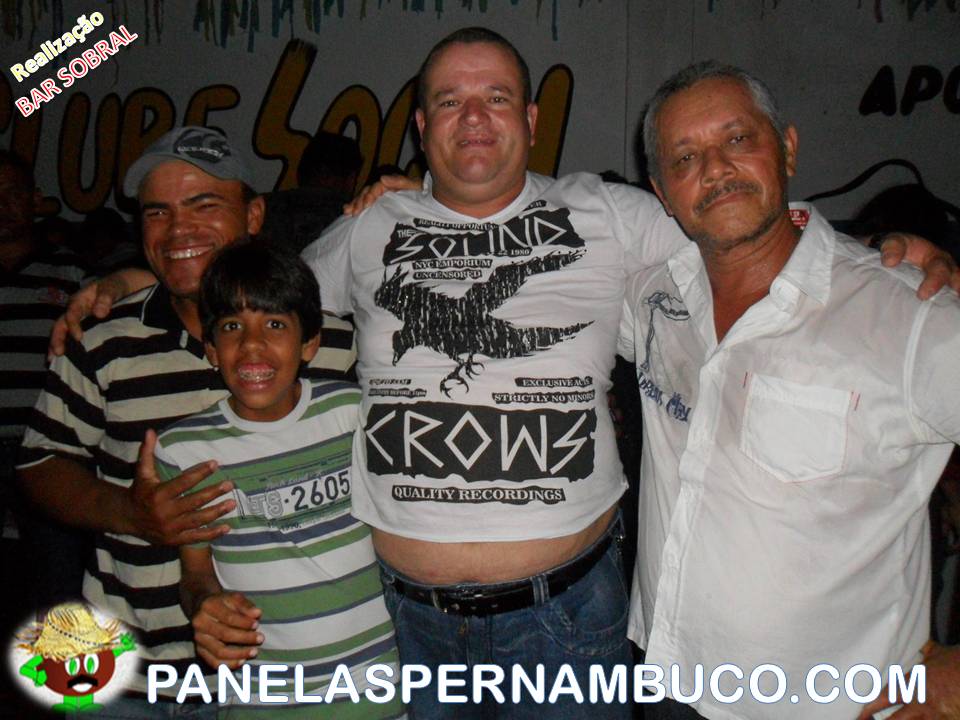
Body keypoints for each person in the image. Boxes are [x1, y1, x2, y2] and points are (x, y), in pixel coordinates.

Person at [619, 60, 960, 720]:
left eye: (737, 139)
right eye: (685, 158)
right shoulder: (653, 297)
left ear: (788, 148)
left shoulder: (909, 317)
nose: (716, 169)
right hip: (665, 683)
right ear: (662, 193)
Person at [17, 126, 355, 717]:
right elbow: (40, 464)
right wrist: (131, 512)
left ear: (254, 216)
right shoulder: (102, 339)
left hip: (291, 682)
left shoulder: (330, 341)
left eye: (204, 205)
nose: (179, 231)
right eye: (158, 212)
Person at [155, 241, 404, 718]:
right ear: (211, 349)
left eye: (274, 325)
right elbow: (196, 574)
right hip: (263, 700)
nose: (252, 345)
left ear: (309, 343)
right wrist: (206, 605)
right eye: (232, 327)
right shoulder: (184, 451)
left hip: (381, 688)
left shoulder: (353, 413)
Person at [0, 150, 90, 615]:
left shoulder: (73, 273)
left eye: (13, 193)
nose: (3, 205)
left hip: (48, 453)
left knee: (57, 586)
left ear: (35, 199)